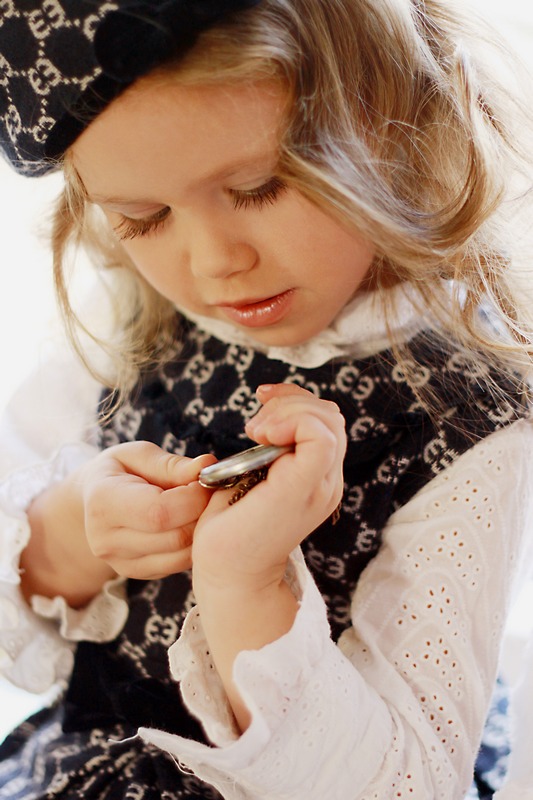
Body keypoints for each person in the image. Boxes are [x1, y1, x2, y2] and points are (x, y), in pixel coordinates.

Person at [0, 1, 532, 798]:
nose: (214, 261)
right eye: (143, 218)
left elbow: (406, 784)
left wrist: (246, 585)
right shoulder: (132, 326)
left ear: (396, 121)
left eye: (257, 187)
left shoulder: (463, 409)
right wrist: (74, 532)